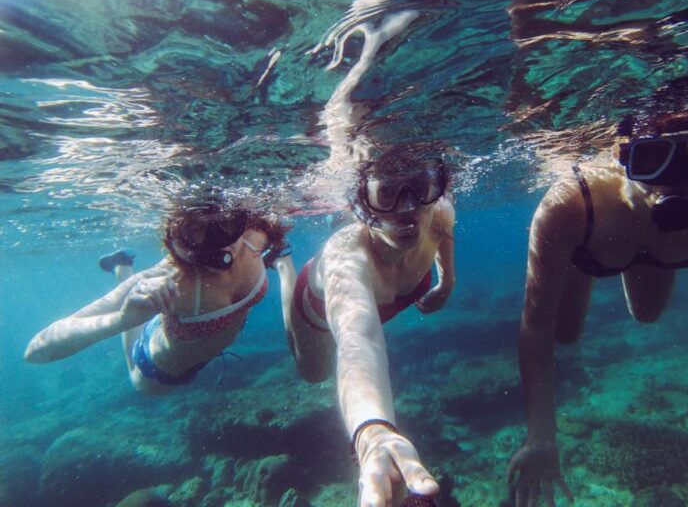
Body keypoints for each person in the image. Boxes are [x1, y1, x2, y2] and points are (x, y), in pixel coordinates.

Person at [508, 104, 688, 506]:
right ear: (619, 154)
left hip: (656, 253)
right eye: (652, 157)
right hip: (592, 241)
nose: (678, 180)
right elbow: (536, 324)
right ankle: (585, 260)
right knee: (565, 333)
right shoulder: (568, 205)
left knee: (647, 314)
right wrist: (540, 434)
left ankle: (631, 250)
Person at [279, 148, 456, 507]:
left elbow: (443, 235)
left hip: (372, 299)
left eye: (419, 187)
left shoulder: (437, 213)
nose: (408, 209)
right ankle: (283, 265)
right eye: (387, 192)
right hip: (317, 312)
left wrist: (446, 282)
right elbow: (359, 339)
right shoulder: (346, 258)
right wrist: (372, 432)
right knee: (312, 373)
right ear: (362, 201)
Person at [25, 197, 292, 394]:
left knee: (145, 309)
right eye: (196, 234)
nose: (219, 246)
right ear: (176, 240)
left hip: (188, 341)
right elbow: (36, 350)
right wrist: (122, 319)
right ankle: (123, 268)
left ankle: (123, 266)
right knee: (136, 370)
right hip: (157, 369)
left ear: (239, 217)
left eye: (226, 225)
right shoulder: (171, 279)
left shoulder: (253, 236)